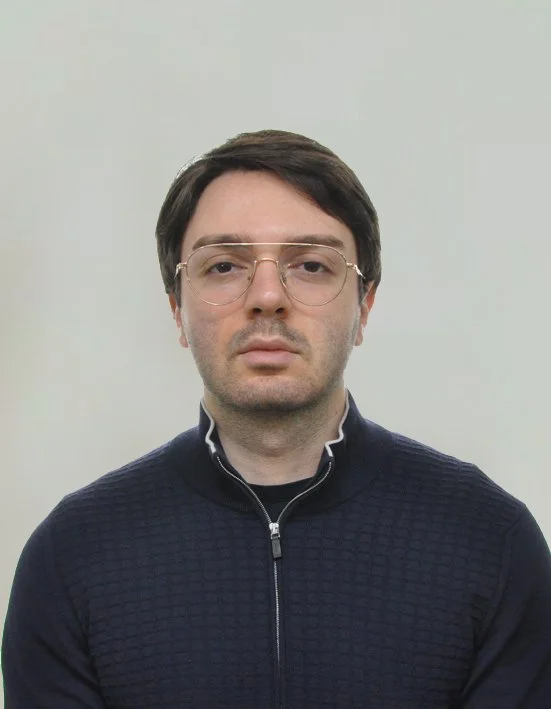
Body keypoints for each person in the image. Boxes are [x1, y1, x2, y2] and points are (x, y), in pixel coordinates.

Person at [2, 130, 551, 708]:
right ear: (176, 307)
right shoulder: (74, 555)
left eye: (311, 265)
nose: (267, 296)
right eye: (224, 266)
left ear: (364, 306)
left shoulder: (490, 543)